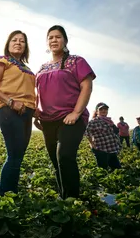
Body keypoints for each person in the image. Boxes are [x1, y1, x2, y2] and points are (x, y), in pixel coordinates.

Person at [34, 25, 95, 199]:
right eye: (50, 37)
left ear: (65, 41)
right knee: (56, 161)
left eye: (58, 37)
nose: (54, 40)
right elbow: (39, 91)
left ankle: (72, 202)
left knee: (65, 157)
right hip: (47, 120)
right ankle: (64, 199)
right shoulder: (42, 67)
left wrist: (76, 112)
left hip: (71, 118)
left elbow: (87, 86)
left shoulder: (76, 61)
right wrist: (38, 111)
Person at [0, 30, 36, 196]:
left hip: (27, 111)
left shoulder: (27, 68)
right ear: (8, 44)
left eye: (22, 41)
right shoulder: (2, 60)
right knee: (14, 154)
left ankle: (12, 193)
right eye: (14, 40)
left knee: (19, 155)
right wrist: (10, 102)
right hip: (9, 109)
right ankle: (5, 196)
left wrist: (35, 112)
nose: (18, 43)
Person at [85, 103, 122, 170]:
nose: (103, 110)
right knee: (103, 169)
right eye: (101, 109)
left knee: (117, 169)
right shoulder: (93, 121)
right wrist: (91, 143)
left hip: (112, 149)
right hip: (101, 149)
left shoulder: (109, 121)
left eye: (105, 109)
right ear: (97, 111)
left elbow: (114, 133)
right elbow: (87, 133)